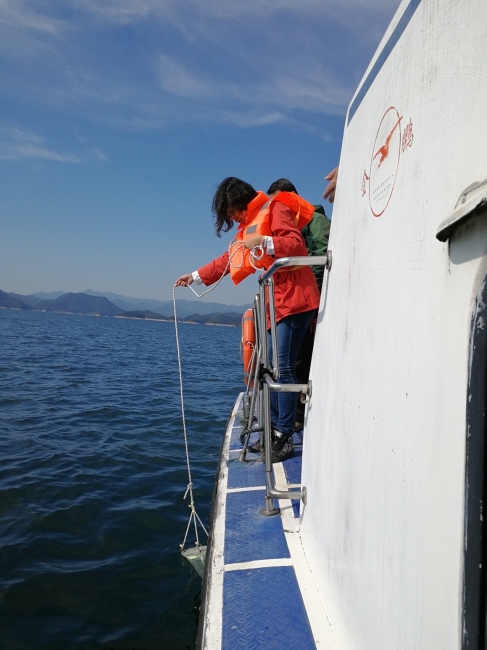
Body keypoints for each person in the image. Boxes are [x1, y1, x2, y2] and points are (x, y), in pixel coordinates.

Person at [175, 177, 320, 462]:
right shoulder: (250, 225)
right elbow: (227, 261)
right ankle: (274, 433)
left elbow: (295, 244)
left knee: (284, 368)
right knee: (271, 369)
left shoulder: (276, 208)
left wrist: (264, 242)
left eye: (232, 213)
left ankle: (284, 436)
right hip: (275, 303)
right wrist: (194, 276)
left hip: (295, 298)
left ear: (240, 202)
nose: (233, 219)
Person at [267, 178, 331, 429]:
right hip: (296, 303)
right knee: (291, 362)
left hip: (307, 304)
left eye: (279, 201)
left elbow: (320, 261)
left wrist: (314, 305)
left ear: (291, 196)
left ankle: (295, 418)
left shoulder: (315, 221)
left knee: (296, 362)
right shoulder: (296, 222)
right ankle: (290, 416)